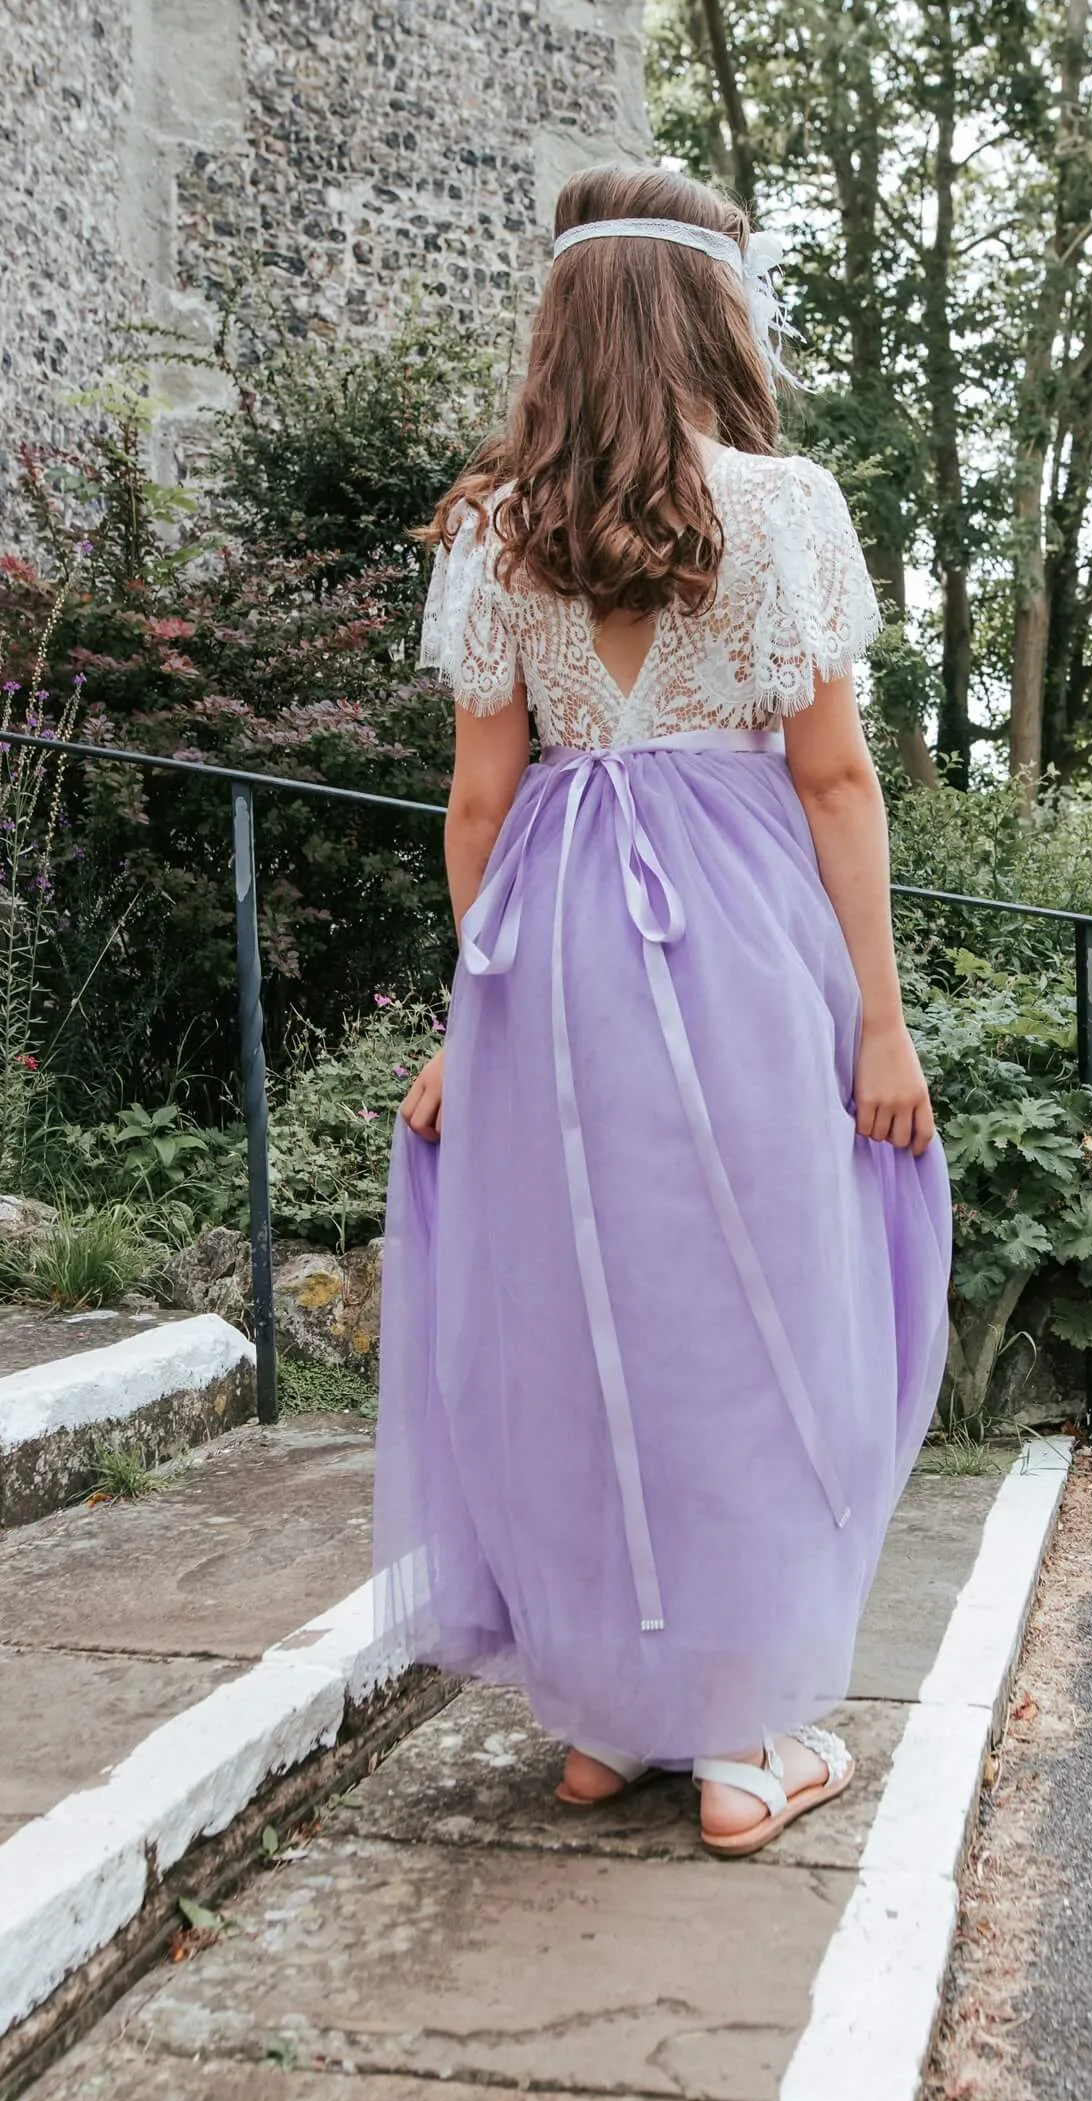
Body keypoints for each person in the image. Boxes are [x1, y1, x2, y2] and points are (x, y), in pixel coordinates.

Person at [371, 161, 952, 1858]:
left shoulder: (498, 528)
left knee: (590, 1317)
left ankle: (610, 1720)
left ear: (561, 321)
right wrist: (882, 1020)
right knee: (761, 1316)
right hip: (743, 947)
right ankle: (745, 1739)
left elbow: (480, 803)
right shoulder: (779, 509)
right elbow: (834, 780)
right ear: (716, 308)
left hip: (553, 963)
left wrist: (476, 1008)